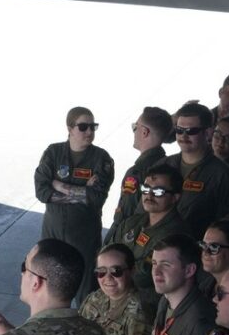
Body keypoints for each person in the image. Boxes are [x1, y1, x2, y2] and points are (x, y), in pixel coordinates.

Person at [34, 106, 116, 302]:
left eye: (93, 127)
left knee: (85, 295)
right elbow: (42, 192)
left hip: (84, 239)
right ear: (70, 128)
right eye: (83, 127)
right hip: (53, 235)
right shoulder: (53, 153)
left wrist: (59, 185)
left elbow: (97, 198)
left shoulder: (101, 159)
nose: (89, 132)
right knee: (49, 290)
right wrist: (82, 191)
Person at [106, 162, 192, 309]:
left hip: (147, 306)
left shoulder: (176, 234)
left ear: (175, 197)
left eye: (158, 192)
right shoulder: (131, 223)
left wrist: (112, 270)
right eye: (145, 189)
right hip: (115, 298)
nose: (149, 195)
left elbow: (145, 275)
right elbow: (107, 255)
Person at [165, 101, 229, 236]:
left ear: (208, 133)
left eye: (191, 131)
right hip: (156, 244)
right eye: (179, 130)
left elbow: (228, 225)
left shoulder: (223, 174)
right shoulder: (163, 165)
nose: (183, 136)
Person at [108, 106, 172, 235]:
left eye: (135, 127)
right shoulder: (169, 169)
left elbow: (127, 216)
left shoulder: (138, 172)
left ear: (144, 132)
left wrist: (110, 242)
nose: (134, 131)